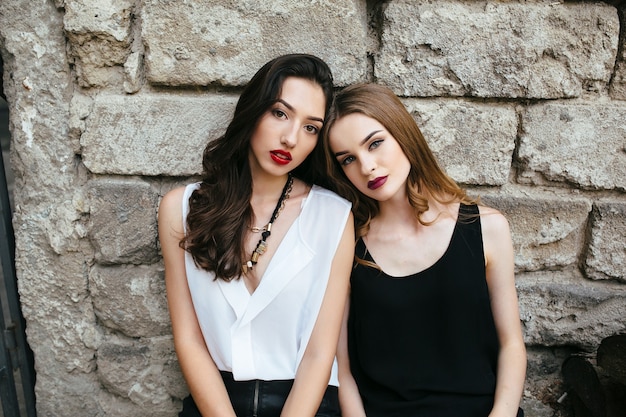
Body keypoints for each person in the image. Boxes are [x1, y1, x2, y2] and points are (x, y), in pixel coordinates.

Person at [158, 54, 354, 417]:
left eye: (311, 127)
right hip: (214, 404)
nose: (291, 138)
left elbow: (318, 353)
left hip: (304, 405)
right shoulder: (181, 209)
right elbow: (189, 340)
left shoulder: (333, 216)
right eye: (280, 113)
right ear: (254, 110)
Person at [322, 83, 527, 417]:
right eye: (348, 159)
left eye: (375, 143)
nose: (367, 167)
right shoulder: (348, 245)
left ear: (403, 135)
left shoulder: (487, 228)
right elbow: (341, 369)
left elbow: (512, 346)